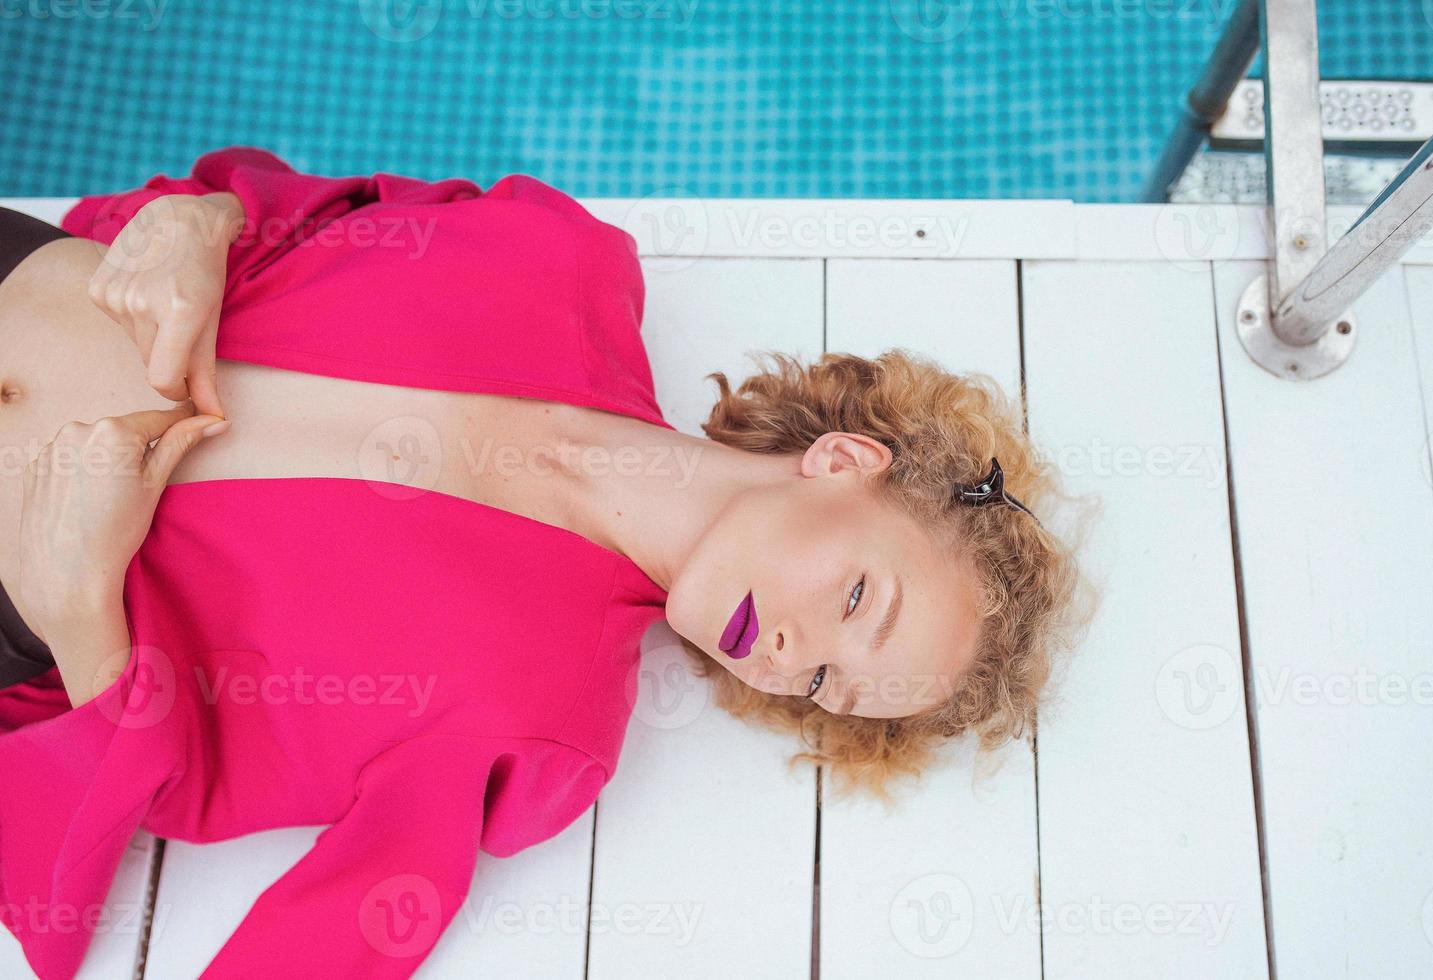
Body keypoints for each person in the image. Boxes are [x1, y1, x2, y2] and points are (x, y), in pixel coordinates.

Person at [0, 148, 1088, 978]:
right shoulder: (564, 259)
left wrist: (77, 599)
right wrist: (199, 219)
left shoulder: (544, 726)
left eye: (827, 684)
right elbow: (298, 213)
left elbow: (229, 841)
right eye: (860, 598)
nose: (796, 655)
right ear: (844, 460)